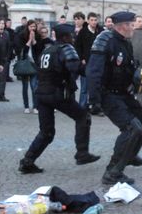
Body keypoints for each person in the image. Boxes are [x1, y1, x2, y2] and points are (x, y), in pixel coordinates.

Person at [18, 23, 101, 174]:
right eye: (71, 35)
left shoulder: (47, 50)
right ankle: (82, 153)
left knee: (46, 132)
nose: (73, 38)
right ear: (65, 37)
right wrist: (94, 70)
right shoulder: (66, 48)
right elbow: (75, 68)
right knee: (83, 116)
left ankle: (27, 161)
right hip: (57, 93)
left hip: (41, 94)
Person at [86, 11, 142, 185]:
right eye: (132, 24)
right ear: (123, 25)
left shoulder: (125, 43)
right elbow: (93, 72)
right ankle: (112, 172)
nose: (134, 27)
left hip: (123, 94)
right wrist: (94, 100)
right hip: (108, 95)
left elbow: (130, 70)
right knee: (132, 128)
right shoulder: (106, 41)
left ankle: (130, 155)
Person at [75, 12, 103, 109]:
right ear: (88, 20)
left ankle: (96, 106)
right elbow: (77, 46)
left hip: (98, 63)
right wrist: (82, 58)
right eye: (92, 20)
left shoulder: (100, 31)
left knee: (97, 86)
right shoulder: (83, 32)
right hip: (86, 63)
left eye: (95, 20)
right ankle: (82, 107)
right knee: (84, 87)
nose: (94, 22)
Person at [17, 20, 43, 114]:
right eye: (31, 26)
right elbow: (22, 51)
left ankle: (35, 106)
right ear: (27, 27)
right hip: (25, 63)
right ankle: (26, 106)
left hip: (34, 64)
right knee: (25, 86)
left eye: (34, 27)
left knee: (34, 86)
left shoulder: (38, 36)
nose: (33, 28)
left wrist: (34, 41)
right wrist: (29, 41)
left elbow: (39, 50)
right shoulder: (21, 36)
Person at [0, 18, 11, 102]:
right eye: (0, 23)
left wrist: (7, 58)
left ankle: (1, 95)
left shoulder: (6, 34)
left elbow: (9, 46)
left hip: (4, 60)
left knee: (3, 79)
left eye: (3, 23)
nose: (2, 25)